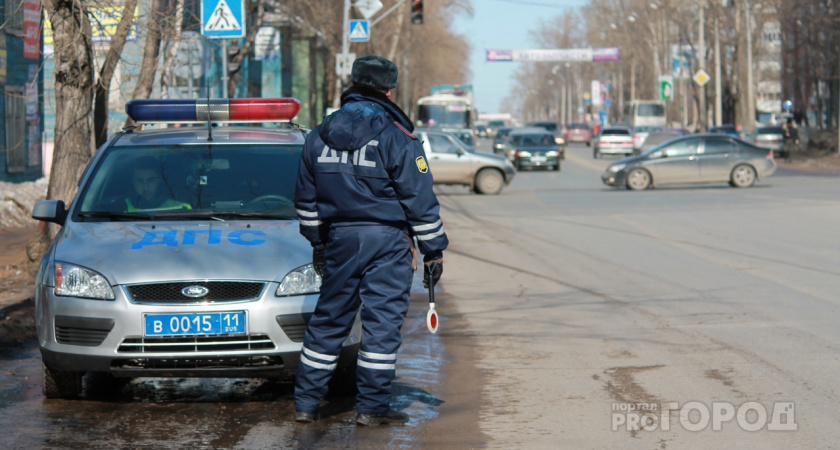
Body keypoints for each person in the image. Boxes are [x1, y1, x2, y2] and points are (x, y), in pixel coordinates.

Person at [293, 54, 448, 426]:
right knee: (381, 325)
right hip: (387, 243)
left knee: (328, 322)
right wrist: (433, 251)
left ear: (353, 83)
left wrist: (318, 242)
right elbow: (419, 198)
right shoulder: (398, 137)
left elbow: (305, 198)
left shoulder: (317, 135)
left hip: (340, 240)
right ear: (388, 90)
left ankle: (305, 404)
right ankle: (371, 409)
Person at [125, 157, 191, 211]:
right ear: (132, 181)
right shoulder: (120, 207)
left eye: (151, 181)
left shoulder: (181, 208)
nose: (145, 188)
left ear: (159, 179)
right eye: (140, 181)